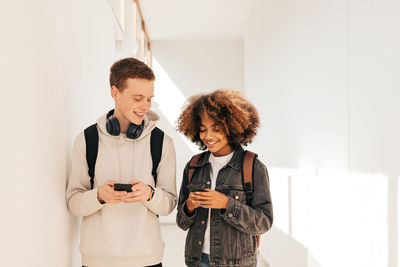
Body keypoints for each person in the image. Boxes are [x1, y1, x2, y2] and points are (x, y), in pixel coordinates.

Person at [66, 57, 177, 267]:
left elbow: (169, 204)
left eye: (149, 99)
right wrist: (98, 195)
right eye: (138, 98)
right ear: (115, 93)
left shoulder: (162, 142)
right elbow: (73, 202)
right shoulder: (86, 140)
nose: (145, 106)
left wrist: (149, 194)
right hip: (97, 261)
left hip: (147, 260)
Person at [176, 89, 273, 267]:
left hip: (236, 263)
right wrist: (189, 206)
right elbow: (181, 222)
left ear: (232, 127)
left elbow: (264, 222)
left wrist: (227, 204)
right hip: (197, 260)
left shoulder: (253, 167)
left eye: (216, 129)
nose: (208, 136)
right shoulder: (193, 166)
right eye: (203, 129)